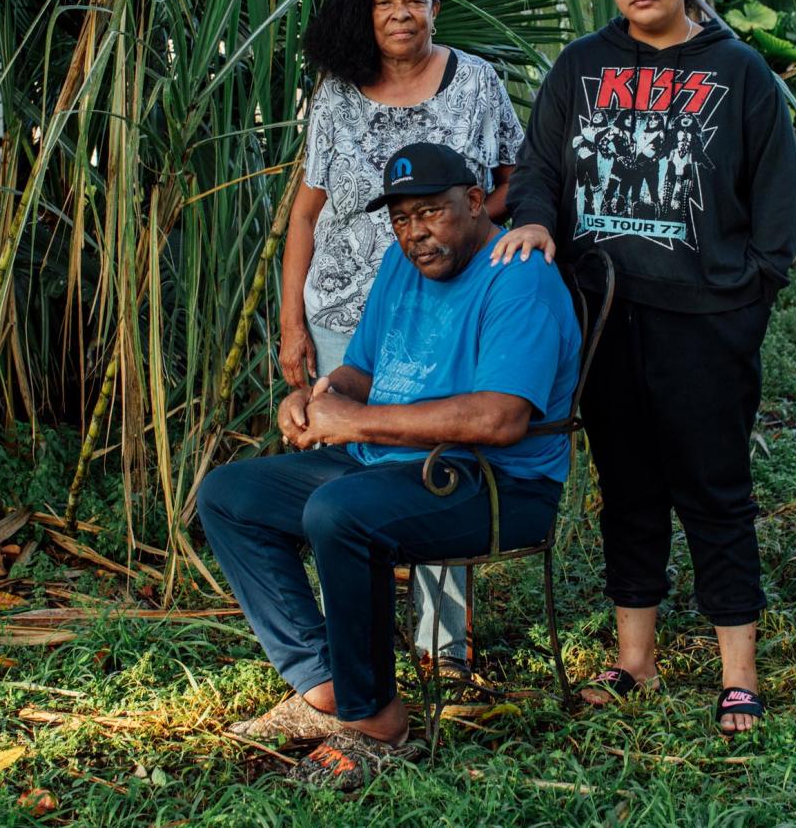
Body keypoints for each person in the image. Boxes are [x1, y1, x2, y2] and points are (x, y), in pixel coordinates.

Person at [491, 0, 796, 735]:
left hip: (706, 322)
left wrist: (751, 295)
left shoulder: (739, 73)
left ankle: (739, 671)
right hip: (605, 319)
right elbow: (543, 166)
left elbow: (777, 194)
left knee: (715, 490)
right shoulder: (583, 66)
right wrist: (534, 220)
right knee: (628, 489)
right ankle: (637, 660)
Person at [198, 143, 581, 788]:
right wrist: (322, 398)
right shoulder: (402, 265)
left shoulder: (520, 274)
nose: (415, 234)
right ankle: (325, 685)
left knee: (340, 513)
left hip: (495, 484)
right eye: (401, 219)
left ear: (475, 200)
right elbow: (364, 369)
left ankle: (377, 724)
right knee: (229, 494)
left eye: (430, 212)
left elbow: (501, 419)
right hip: (391, 464)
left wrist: (357, 424)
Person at [279, 0, 524, 679]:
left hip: (440, 303)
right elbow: (304, 215)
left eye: (413, 0)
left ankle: (442, 647)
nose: (400, 14)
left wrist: (457, 233)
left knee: (434, 460)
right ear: (367, 11)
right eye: (385, 2)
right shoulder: (338, 93)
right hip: (340, 310)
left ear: (435, 7)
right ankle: (355, 640)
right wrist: (292, 322)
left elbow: (513, 178)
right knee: (341, 476)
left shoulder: (476, 83)